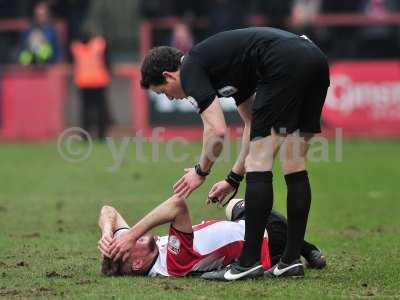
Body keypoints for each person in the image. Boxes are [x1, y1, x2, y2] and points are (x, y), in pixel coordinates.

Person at [111, 27, 330, 280]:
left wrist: (200, 171)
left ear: (168, 76)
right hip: (314, 57)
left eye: (163, 92)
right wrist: (233, 178)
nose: (170, 99)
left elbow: (216, 130)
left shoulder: (192, 68)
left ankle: (248, 263)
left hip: (285, 62)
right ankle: (290, 261)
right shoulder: (226, 68)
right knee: (294, 161)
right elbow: (250, 123)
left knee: (260, 160)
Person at [99, 195, 326, 278]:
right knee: (256, 201)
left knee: (233, 205)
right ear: (137, 263)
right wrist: (133, 234)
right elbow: (177, 205)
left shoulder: (147, 251)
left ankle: (304, 249)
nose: (130, 237)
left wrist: (108, 234)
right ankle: (304, 249)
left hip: (246, 227)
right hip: (267, 239)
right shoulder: (172, 263)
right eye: (128, 244)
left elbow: (108, 211)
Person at [70, 28, 112, 140]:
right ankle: (101, 135)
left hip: (83, 83)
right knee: (100, 111)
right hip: (99, 82)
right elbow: (108, 61)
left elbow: (71, 62)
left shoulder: (76, 47)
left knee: (85, 112)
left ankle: (85, 136)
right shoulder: (100, 44)